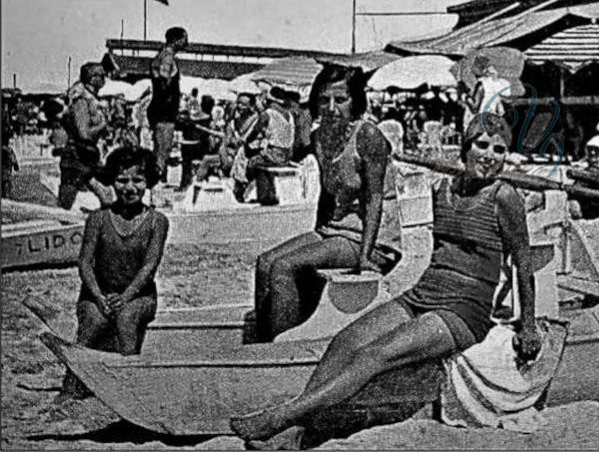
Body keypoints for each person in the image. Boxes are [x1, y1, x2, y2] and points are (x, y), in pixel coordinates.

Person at [230, 113, 542, 449]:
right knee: (345, 342)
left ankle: (281, 418)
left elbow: (523, 264)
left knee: (374, 356)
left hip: (464, 310)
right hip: (425, 293)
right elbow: (442, 254)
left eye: (499, 149)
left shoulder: (504, 197)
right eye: (482, 145)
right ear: (466, 147)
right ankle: (296, 435)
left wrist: (528, 325)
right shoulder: (442, 189)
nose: (490, 156)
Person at [252, 68, 402, 342]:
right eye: (323, 101)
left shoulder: (368, 135)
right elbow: (325, 192)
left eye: (340, 99)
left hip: (372, 238)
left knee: (284, 267)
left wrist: (365, 257)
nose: (331, 108)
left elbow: (374, 199)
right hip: (336, 231)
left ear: (355, 101)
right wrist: (318, 231)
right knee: (265, 263)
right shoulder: (321, 138)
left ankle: (280, 347)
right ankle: (262, 339)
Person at [57, 146, 168, 401]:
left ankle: (128, 388)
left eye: (138, 180)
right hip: (98, 294)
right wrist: (98, 296)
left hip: (139, 296)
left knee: (127, 319)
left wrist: (126, 297)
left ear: (148, 182)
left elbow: (149, 267)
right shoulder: (98, 218)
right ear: (111, 181)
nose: (130, 187)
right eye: (122, 180)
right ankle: (71, 385)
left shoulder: (157, 221)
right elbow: (85, 263)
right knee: (92, 323)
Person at [58, 63, 115, 210]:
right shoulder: (81, 100)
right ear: (91, 78)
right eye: (101, 76)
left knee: (107, 196)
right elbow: (84, 133)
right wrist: (102, 126)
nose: (105, 79)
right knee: (64, 206)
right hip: (76, 155)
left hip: (88, 155)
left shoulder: (92, 99)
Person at [148, 26, 189, 183]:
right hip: (164, 111)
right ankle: (155, 185)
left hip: (160, 110)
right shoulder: (167, 57)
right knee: (162, 152)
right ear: (177, 39)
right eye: (185, 38)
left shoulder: (162, 55)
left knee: (160, 150)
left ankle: (156, 184)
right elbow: (163, 83)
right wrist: (172, 107)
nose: (187, 42)